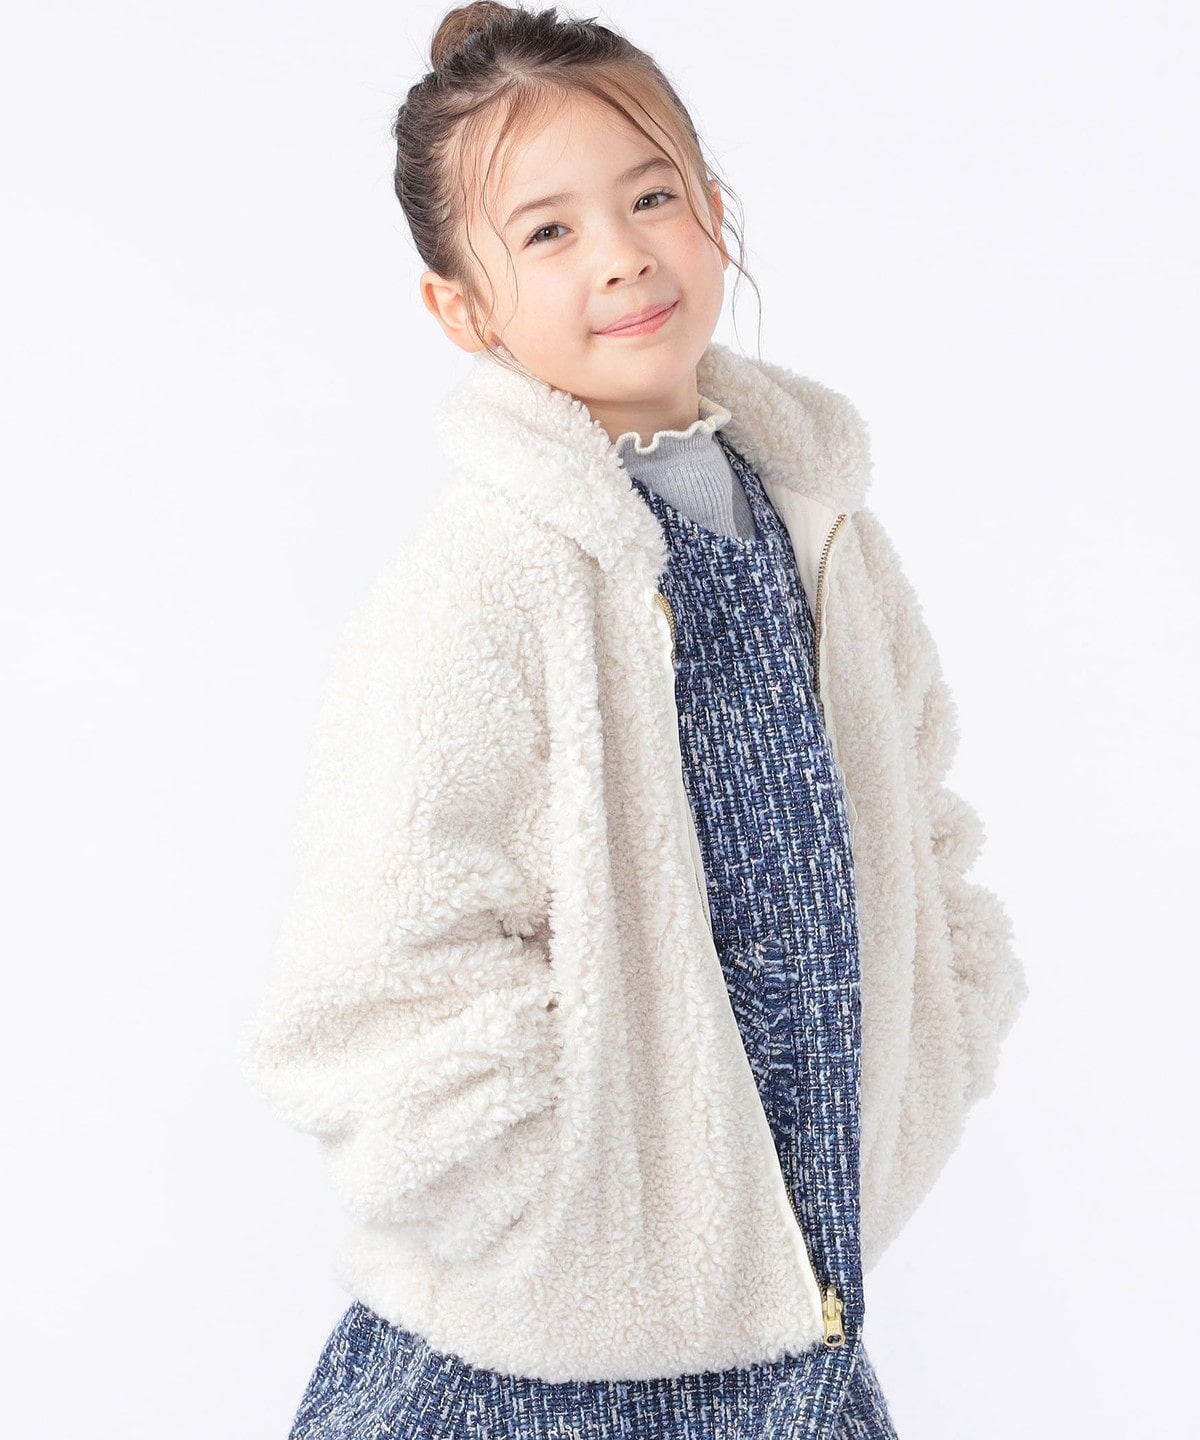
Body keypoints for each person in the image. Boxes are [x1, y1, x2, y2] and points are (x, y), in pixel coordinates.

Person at [239, 4, 1028, 1436]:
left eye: (652, 195)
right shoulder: (485, 583)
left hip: (796, 1338)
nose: (620, 253)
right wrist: (554, 1233)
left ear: (715, 210)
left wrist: (941, 1035)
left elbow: (925, 824)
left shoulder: (822, 531)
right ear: (464, 310)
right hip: (532, 1381)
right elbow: (373, 981)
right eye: (547, 231)